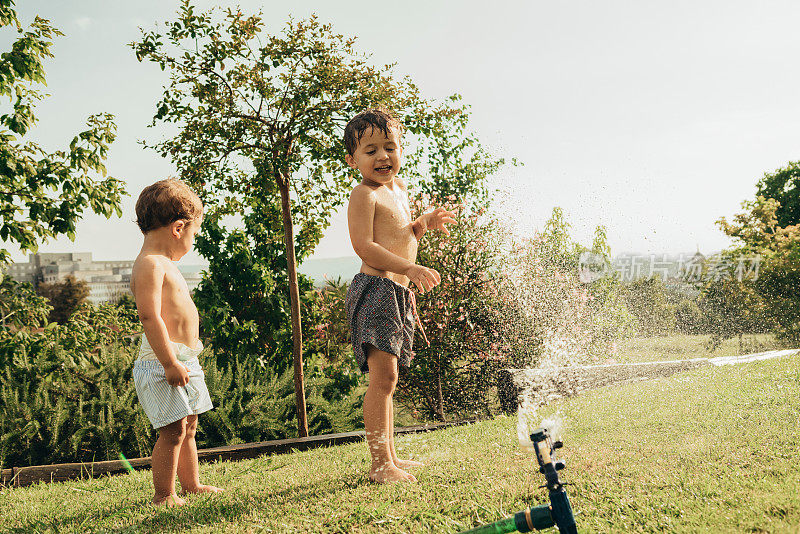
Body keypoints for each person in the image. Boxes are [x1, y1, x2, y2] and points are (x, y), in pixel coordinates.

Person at [344, 108, 456, 483]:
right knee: (382, 379)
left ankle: (390, 455)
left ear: (401, 150)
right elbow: (364, 246)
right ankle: (379, 465)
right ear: (353, 159)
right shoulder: (363, 194)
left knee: (389, 380)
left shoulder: (399, 190)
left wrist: (424, 223)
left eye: (389, 147)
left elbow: (403, 235)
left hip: (397, 292)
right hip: (375, 289)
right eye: (370, 150)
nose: (382, 156)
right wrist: (409, 268)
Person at [131, 178, 223, 506]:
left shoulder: (166, 263)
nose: (192, 241)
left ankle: (192, 485)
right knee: (172, 430)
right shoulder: (150, 265)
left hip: (184, 357)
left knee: (189, 426)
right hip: (161, 361)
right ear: (179, 228)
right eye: (194, 234)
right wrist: (170, 361)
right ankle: (163, 494)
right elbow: (150, 317)